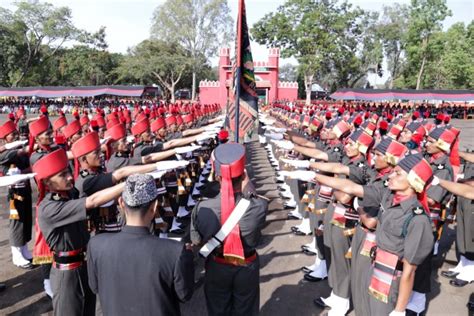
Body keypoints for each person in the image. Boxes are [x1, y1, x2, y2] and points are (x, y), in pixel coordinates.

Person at [33, 149, 125, 315]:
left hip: (84, 265)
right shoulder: (49, 208)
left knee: (88, 311)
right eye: (62, 175)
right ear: (47, 183)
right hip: (67, 273)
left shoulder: (71, 194)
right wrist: (129, 184)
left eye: (68, 171)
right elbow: (92, 201)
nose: (69, 176)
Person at [87, 174, 194, 316]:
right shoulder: (175, 252)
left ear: (121, 203)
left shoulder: (96, 245)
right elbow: (184, 295)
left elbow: (95, 287)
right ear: (155, 206)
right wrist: (187, 261)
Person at [191, 143, 267, 316]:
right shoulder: (260, 206)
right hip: (247, 265)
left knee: (218, 309)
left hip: (217, 265)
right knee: (246, 309)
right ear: (244, 175)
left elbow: (196, 240)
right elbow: (254, 199)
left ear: (217, 176)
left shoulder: (202, 208)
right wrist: (249, 186)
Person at [0, 120, 33, 269]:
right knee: (16, 223)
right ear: (4, 138)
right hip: (14, 193)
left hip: (24, 188)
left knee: (25, 220)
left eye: (15, 134)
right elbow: (18, 154)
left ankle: (24, 250)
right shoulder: (6, 153)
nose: (15, 136)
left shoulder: (18, 148)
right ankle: (17, 255)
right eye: (12, 135)